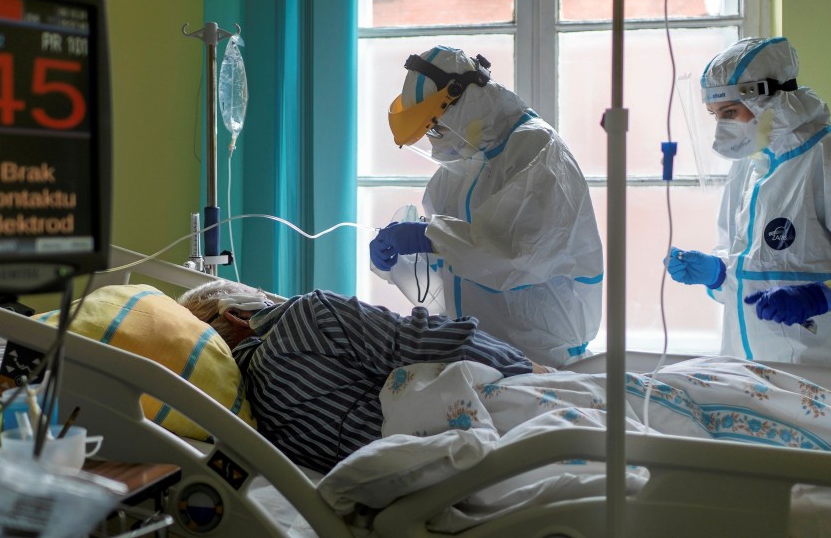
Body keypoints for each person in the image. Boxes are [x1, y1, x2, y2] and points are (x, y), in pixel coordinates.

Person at [368, 45, 603, 368]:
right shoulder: (460, 169)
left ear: (463, 101)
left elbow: (518, 255)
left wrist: (430, 236)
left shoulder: (537, 152)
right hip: (477, 356)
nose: (435, 139)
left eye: (435, 126)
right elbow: (453, 268)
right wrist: (397, 260)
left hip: (543, 360)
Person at [177, 280, 542, 473]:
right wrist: (531, 370)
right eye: (258, 295)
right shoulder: (308, 315)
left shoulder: (247, 419)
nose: (268, 298)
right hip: (502, 428)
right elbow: (428, 340)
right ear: (241, 314)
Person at [667, 36, 831, 372]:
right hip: (750, 374)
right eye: (715, 115)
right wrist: (721, 274)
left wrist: (827, 296)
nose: (721, 129)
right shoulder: (753, 168)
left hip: (820, 385)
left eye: (729, 112)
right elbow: (755, 271)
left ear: (768, 100)